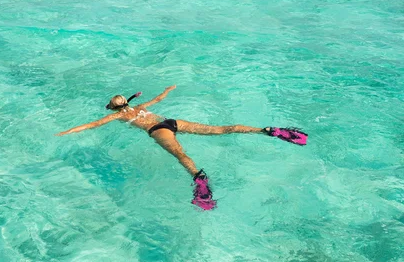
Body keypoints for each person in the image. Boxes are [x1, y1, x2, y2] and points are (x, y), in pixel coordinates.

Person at [55, 86, 307, 210]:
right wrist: (169, 89)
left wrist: (67, 131)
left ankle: (199, 179)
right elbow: (161, 98)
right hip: (171, 121)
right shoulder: (141, 106)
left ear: (112, 108)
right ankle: (266, 131)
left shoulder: (118, 116)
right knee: (221, 128)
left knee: (180, 154)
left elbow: (92, 124)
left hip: (159, 130)